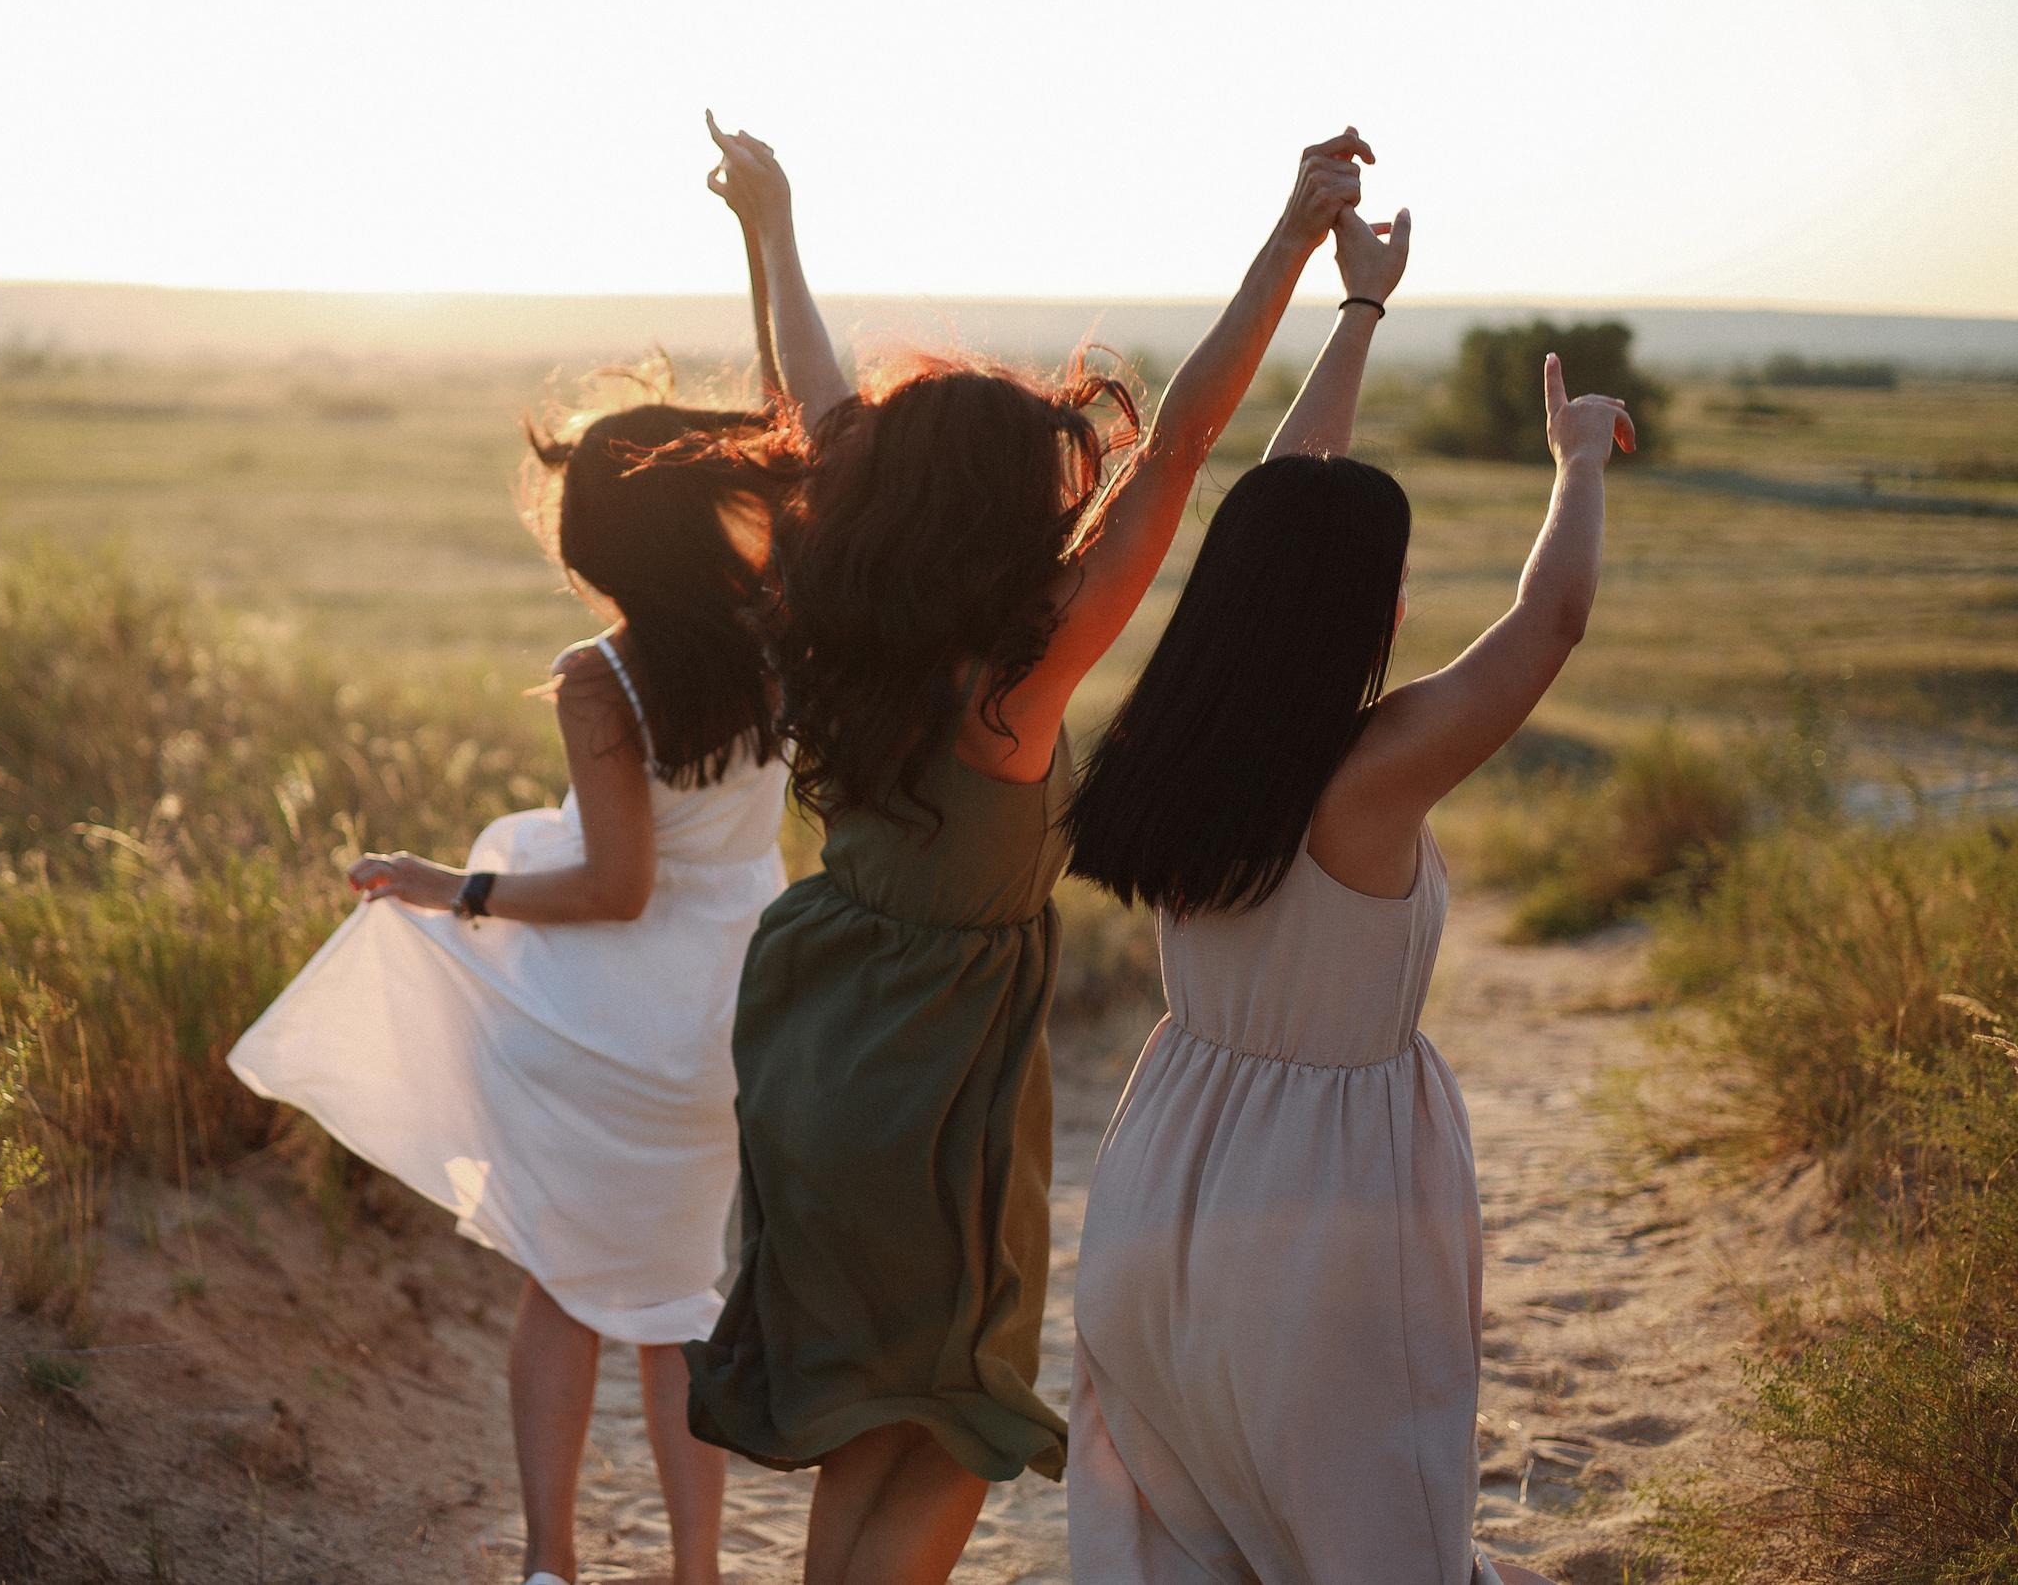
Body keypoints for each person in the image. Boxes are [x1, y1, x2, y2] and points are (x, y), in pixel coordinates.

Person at [682, 114, 1381, 1585]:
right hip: (935, 1078)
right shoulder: (1016, 681)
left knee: (872, 1407)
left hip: (808, 1037)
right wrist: (1291, 240)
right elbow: (1179, 447)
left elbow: (815, 405)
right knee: (963, 1416)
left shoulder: (851, 628)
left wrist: (772, 228)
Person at [225, 179, 796, 1585]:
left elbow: (616, 889)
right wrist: (766, 237)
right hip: (724, 1028)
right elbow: (799, 446)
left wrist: (451, 890)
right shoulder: (779, 629)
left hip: (608, 1034)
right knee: (679, 1303)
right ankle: (698, 1573)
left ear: (597, 542)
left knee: (564, 1289)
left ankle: (549, 1567)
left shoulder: (604, 676)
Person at [1062, 213, 1630, 1583]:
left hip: (1159, 1188)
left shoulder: (1193, 751)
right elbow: (1547, 626)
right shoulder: (1367, 780)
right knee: (1372, 1528)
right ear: (1359, 611)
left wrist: (1359, 309)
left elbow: (1277, 511)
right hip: (1326, 1217)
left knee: (1189, 1534)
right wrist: (1576, 468)